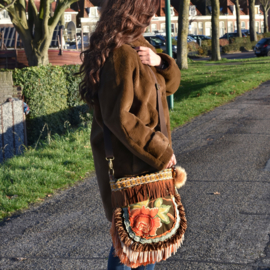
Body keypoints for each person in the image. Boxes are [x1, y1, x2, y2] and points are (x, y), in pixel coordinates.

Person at [78, 0, 181, 269]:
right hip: (131, 168)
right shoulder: (121, 53)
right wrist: (162, 150)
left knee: (146, 243)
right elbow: (119, 118)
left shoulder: (141, 46)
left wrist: (161, 63)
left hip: (145, 164)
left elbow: (168, 88)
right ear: (135, 10)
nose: (154, 14)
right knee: (131, 245)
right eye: (151, 8)